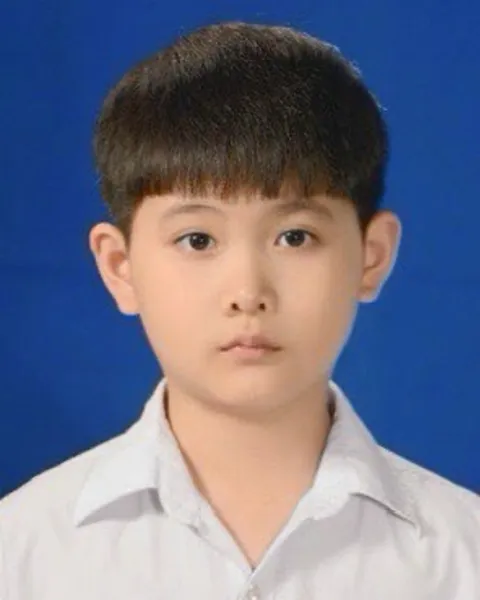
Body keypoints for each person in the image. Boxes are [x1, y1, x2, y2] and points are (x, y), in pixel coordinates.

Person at [0, 21, 478, 600]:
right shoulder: (24, 553)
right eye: (197, 240)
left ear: (371, 256)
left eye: (295, 237)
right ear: (120, 267)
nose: (248, 292)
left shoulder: (461, 557)